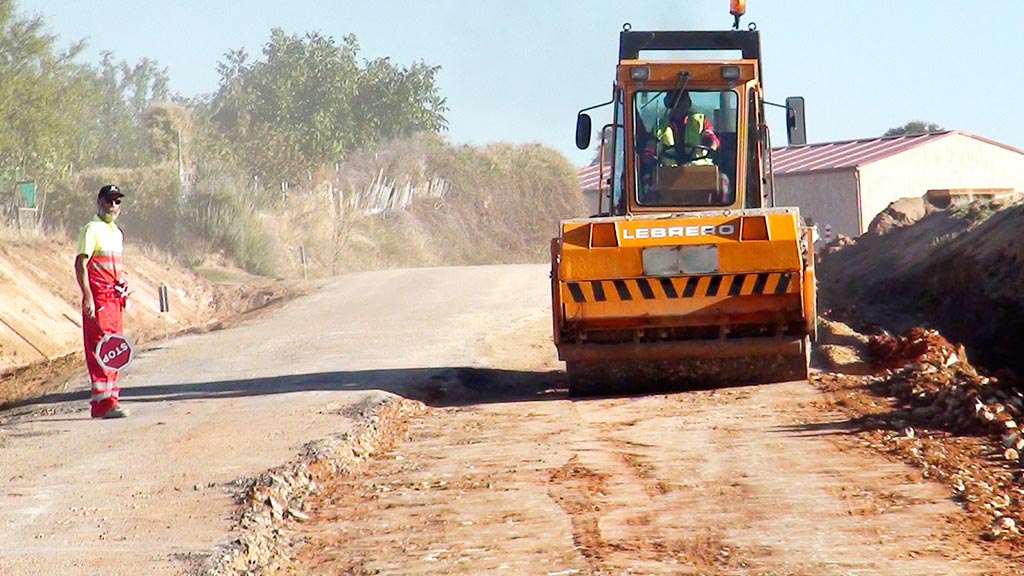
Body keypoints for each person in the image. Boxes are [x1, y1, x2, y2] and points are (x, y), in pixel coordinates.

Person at [75, 184, 130, 419]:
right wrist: (87, 295)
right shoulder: (91, 229)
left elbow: (116, 267)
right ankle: (104, 405)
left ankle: (110, 402)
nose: (113, 206)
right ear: (99, 202)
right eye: (109, 201)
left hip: (115, 302)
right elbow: (80, 264)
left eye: (117, 202)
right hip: (99, 301)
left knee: (115, 350)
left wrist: (124, 283)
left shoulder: (117, 233)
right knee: (102, 351)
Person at [645, 90, 720, 167]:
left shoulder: (700, 121)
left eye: (683, 101)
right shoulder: (660, 126)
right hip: (669, 173)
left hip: (700, 171)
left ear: (688, 104)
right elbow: (651, 146)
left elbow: (712, 139)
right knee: (647, 178)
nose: (680, 106)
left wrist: (711, 144)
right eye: (676, 103)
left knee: (723, 179)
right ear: (669, 104)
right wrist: (650, 155)